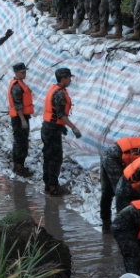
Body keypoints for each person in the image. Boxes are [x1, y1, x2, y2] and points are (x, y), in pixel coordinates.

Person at [41, 67, 82, 197]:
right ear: (63, 79)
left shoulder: (54, 89)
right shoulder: (59, 94)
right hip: (52, 130)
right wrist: (73, 127)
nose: (70, 80)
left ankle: (48, 184)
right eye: (69, 78)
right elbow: (61, 115)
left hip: (48, 127)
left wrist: (62, 127)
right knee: (55, 158)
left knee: (48, 157)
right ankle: (53, 187)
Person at [8, 62, 35, 177]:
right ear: (16, 73)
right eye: (22, 72)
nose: (25, 74)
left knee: (21, 141)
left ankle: (19, 166)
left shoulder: (20, 84)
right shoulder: (17, 87)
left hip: (21, 117)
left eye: (25, 71)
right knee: (20, 142)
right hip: (19, 118)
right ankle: (19, 167)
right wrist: (23, 120)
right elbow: (18, 105)